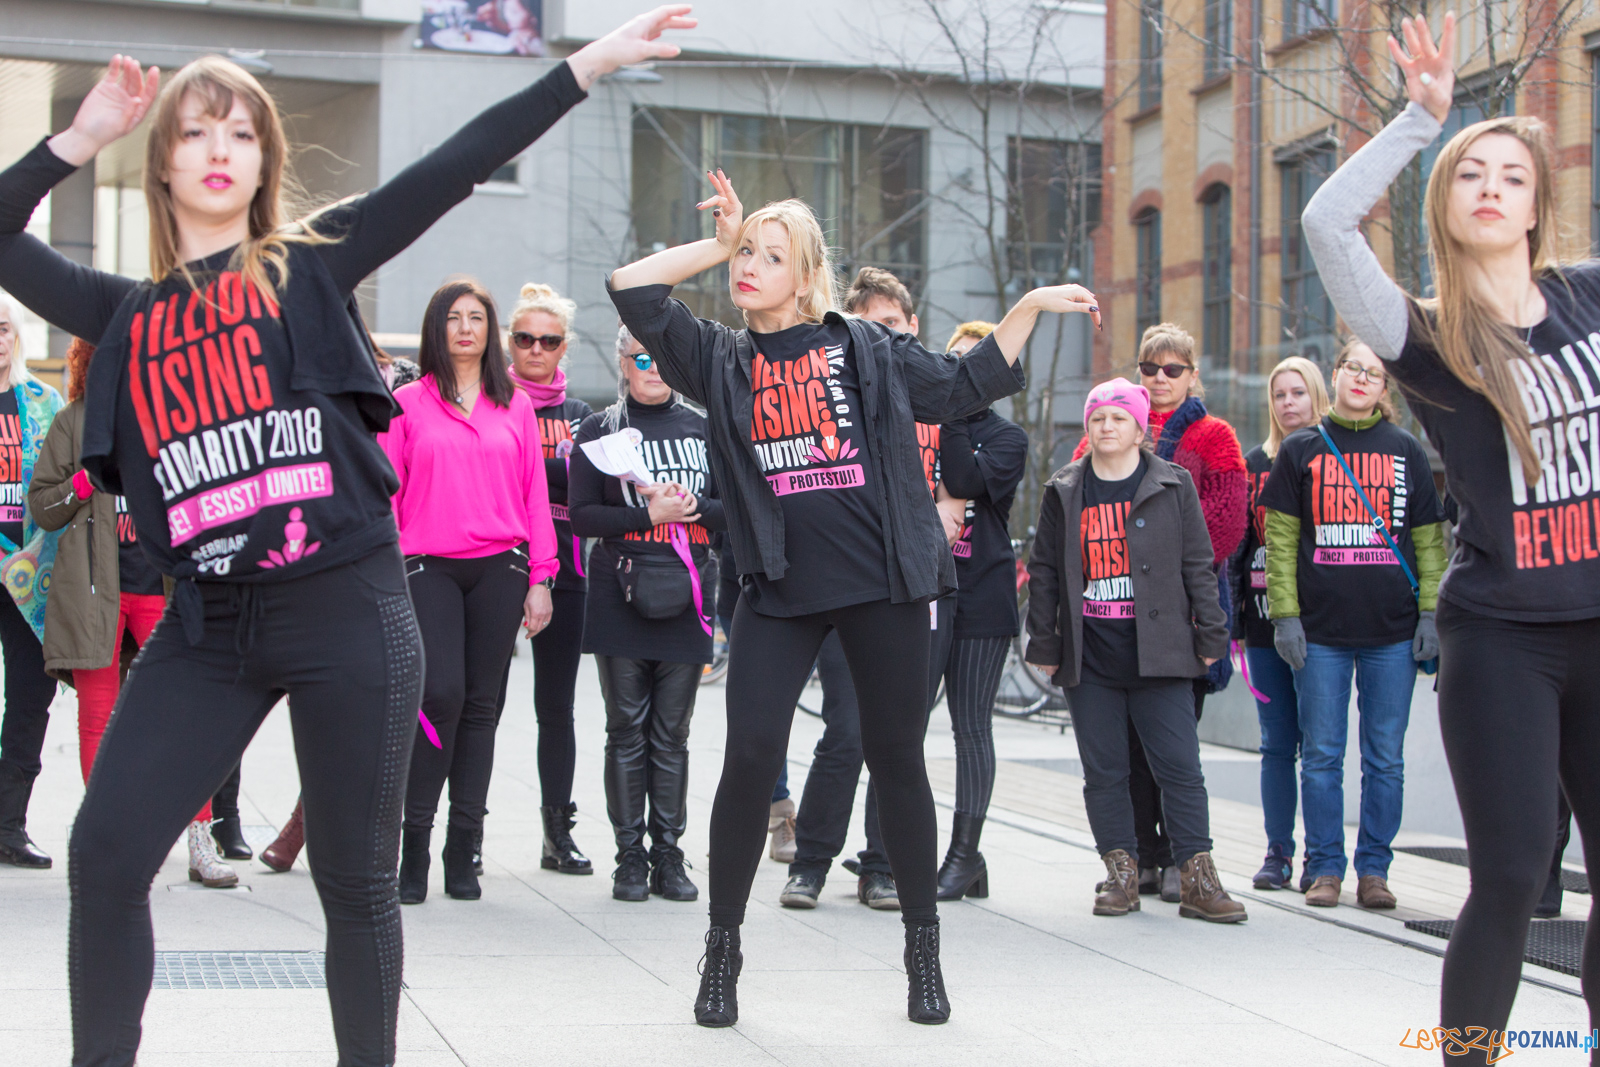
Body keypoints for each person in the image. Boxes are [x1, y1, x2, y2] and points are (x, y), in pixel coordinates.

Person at [0, 10, 692, 1061]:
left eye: (238, 130)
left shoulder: (308, 268)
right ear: (164, 162)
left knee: (356, 885)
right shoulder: (125, 312)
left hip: (348, 608)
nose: (218, 149)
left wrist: (584, 65)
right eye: (193, 132)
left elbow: (454, 165)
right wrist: (79, 137)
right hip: (209, 625)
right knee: (104, 852)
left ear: (265, 155)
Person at [608, 168, 1098, 1027]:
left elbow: (955, 387)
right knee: (751, 755)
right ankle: (721, 949)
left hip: (883, 586)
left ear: (806, 275)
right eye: (745, 253)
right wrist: (719, 241)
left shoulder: (860, 346)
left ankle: (922, 948)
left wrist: (1026, 306)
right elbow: (632, 288)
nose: (749, 266)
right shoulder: (721, 357)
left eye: (768, 253)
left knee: (898, 758)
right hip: (780, 588)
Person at [1300, 16, 1600, 1044]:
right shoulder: (1422, 337)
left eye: (1510, 176)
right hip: (1503, 634)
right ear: (1446, 197)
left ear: (1535, 204)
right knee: (1512, 875)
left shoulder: (1586, 299)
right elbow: (1326, 228)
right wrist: (1419, 122)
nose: (1488, 187)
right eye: (1471, 171)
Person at [1026, 378, 1244, 923]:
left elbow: (1199, 563)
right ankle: (1121, 874)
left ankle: (1197, 875)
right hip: (1091, 654)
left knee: (1179, 768)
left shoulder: (1174, 485)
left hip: (1163, 652)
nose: (1106, 426)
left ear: (1140, 427)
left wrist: (1212, 635)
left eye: (1118, 418)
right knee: (1105, 771)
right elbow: (1046, 571)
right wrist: (1045, 641)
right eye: (1098, 417)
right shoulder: (1064, 489)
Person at [777, 267, 959, 914]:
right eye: (869, 326)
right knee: (846, 728)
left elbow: (991, 456)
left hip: (918, 591)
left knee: (899, 738)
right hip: (849, 581)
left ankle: (883, 866)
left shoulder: (935, 396)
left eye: (892, 324)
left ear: (912, 328)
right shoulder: (840, 393)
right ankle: (810, 862)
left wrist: (952, 498)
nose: (880, 335)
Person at [29, 338, 237, 888]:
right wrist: (81, 481)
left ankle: (199, 841)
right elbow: (41, 506)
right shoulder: (73, 422)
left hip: (157, 587)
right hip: (93, 590)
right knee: (97, 716)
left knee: (184, 715)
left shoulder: (168, 420)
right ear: (88, 362)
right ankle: (109, 841)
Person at [382, 277, 558, 904]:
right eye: (454, 317)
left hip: (500, 569)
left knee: (482, 706)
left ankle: (465, 852)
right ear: (438, 328)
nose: (465, 328)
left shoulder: (515, 405)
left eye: (476, 318)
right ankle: (415, 845)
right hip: (426, 564)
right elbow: (386, 498)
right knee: (440, 696)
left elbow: (534, 497)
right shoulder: (406, 405)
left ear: (490, 332)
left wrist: (541, 578)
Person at [1260, 339, 1447, 910]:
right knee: (1320, 755)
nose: (1362, 378)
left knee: (1385, 758)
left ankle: (1374, 870)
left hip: (1392, 633)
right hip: (1320, 634)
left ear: (1385, 389)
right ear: (1335, 375)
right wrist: (1286, 616)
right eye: (1353, 368)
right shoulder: (1301, 450)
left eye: (1374, 373)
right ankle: (1324, 868)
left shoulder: (1406, 450)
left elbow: (1429, 540)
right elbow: (1281, 541)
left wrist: (1433, 614)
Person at [569, 326, 723, 903]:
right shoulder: (600, 428)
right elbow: (582, 516)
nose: (652, 366)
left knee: (672, 735)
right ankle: (629, 856)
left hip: (687, 592)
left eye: (663, 357)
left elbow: (731, 511)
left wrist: (688, 508)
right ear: (624, 363)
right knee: (625, 730)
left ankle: (669, 855)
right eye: (641, 357)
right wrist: (646, 516)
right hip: (619, 593)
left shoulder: (704, 430)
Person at [929, 320, 1028, 901]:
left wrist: (951, 419)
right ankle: (888, 852)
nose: (962, 372)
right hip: (923, 594)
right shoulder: (918, 427)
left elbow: (964, 477)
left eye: (977, 362)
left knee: (969, 728)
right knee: (904, 723)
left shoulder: (1007, 438)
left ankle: (963, 856)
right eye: (954, 362)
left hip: (980, 596)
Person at [503, 281, 595, 876]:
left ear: (565, 349)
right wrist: (554, 474)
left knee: (556, 709)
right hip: (495, 564)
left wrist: (537, 475)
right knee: (471, 705)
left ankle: (557, 833)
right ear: (509, 344)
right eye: (525, 339)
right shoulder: (488, 404)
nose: (536, 349)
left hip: (565, 570)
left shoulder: (582, 416)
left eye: (549, 340)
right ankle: (466, 833)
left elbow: (585, 490)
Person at [1233, 357, 1330, 890]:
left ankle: (1322, 858)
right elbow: (1239, 547)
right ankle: (1277, 853)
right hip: (1263, 621)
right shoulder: (1255, 463)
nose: (1288, 403)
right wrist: (1230, 619)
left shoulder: (1336, 458)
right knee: (1276, 743)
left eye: (1299, 392)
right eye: (1279, 395)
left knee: (1320, 745)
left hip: (1320, 625)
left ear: (1318, 396)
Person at [0, 295, 63, 871]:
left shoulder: (45, 404)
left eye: (2, 328)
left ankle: (9, 827)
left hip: (27, 579)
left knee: (28, 700)